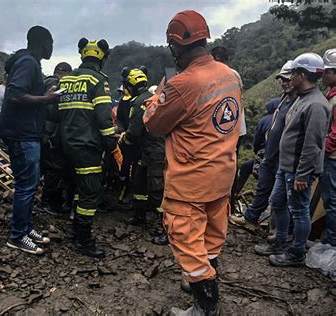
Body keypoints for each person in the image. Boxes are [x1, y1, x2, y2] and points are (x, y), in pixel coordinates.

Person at [143, 10, 242, 315]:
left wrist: (158, 93)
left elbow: (153, 124)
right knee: (211, 239)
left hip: (190, 182)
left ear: (175, 47)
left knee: (186, 242)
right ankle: (204, 282)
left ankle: (204, 307)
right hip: (222, 175)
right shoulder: (230, 75)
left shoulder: (183, 84)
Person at [257, 53, 331, 267]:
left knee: (299, 211)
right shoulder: (301, 98)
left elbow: (313, 144)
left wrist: (303, 174)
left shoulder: (316, 105)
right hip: (286, 166)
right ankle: (280, 241)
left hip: (298, 170)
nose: (289, 79)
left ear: (301, 75)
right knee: (278, 202)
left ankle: (297, 252)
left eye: (292, 75)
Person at [0, 26, 57, 255]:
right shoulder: (28, 62)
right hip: (22, 135)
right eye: (50, 43)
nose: (52, 47)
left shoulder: (30, 62)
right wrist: (46, 98)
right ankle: (17, 236)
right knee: (25, 186)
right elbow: (15, 94)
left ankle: (25, 228)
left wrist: (44, 91)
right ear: (43, 43)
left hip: (25, 133)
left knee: (29, 186)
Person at [57, 38, 118, 258]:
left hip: (66, 144)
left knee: (77, 187)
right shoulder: (98, 79)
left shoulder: (67, 80)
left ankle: (75, 229)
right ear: (101, 57)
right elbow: (103, 116)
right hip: (87, 145)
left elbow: (57, 113)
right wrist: (111, 143)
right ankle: (83, 241)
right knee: (91, 191)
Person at [231, 61, 298, 233]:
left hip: (283, 158)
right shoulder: (284, 100)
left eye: (287, 79)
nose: (283, 82)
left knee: (282, 197)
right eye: (281, 79)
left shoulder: (299, 103)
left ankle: (280, 233)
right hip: (270, 156)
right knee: (269, 191)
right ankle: (256, 219)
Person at [118, 66, 167, 245]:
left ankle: (168, 230)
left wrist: (121, 141)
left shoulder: (139, 103)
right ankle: (140, 216)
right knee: (138, 183)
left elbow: (133, 133)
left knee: (156, 191)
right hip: (148, 152)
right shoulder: (150, 98)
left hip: (155, 153)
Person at [211, 46, 248, 214]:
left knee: (224, 167)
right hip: (235, 128)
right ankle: (228, 205)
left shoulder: (226, 75)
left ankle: (224, 205)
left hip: (227, 129)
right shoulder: (234, 74)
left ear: (217, 58)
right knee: (230, 165)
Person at [38, 62, 72, 216]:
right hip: (49, 133)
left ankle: (42, 199)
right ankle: (45, 202)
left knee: (42, 167)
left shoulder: (44, 82)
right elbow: (54, 111)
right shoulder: (56, 85)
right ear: (65, 73)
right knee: (54, 168)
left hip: (39, 131)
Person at [232, 98, 279, 199]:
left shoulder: (264, 120)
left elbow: (256, 142)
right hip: (280, 159)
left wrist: (258, 152)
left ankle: (235, 193)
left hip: (265, 157)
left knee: (246, 167)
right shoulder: (286, 117)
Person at [321, 48, 336, 246]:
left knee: (332, 201)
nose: (323, 75)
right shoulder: (330, 94)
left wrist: (322, 148)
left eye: (326, 71)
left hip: (332, 157)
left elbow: (334, 132)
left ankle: (332, 243)